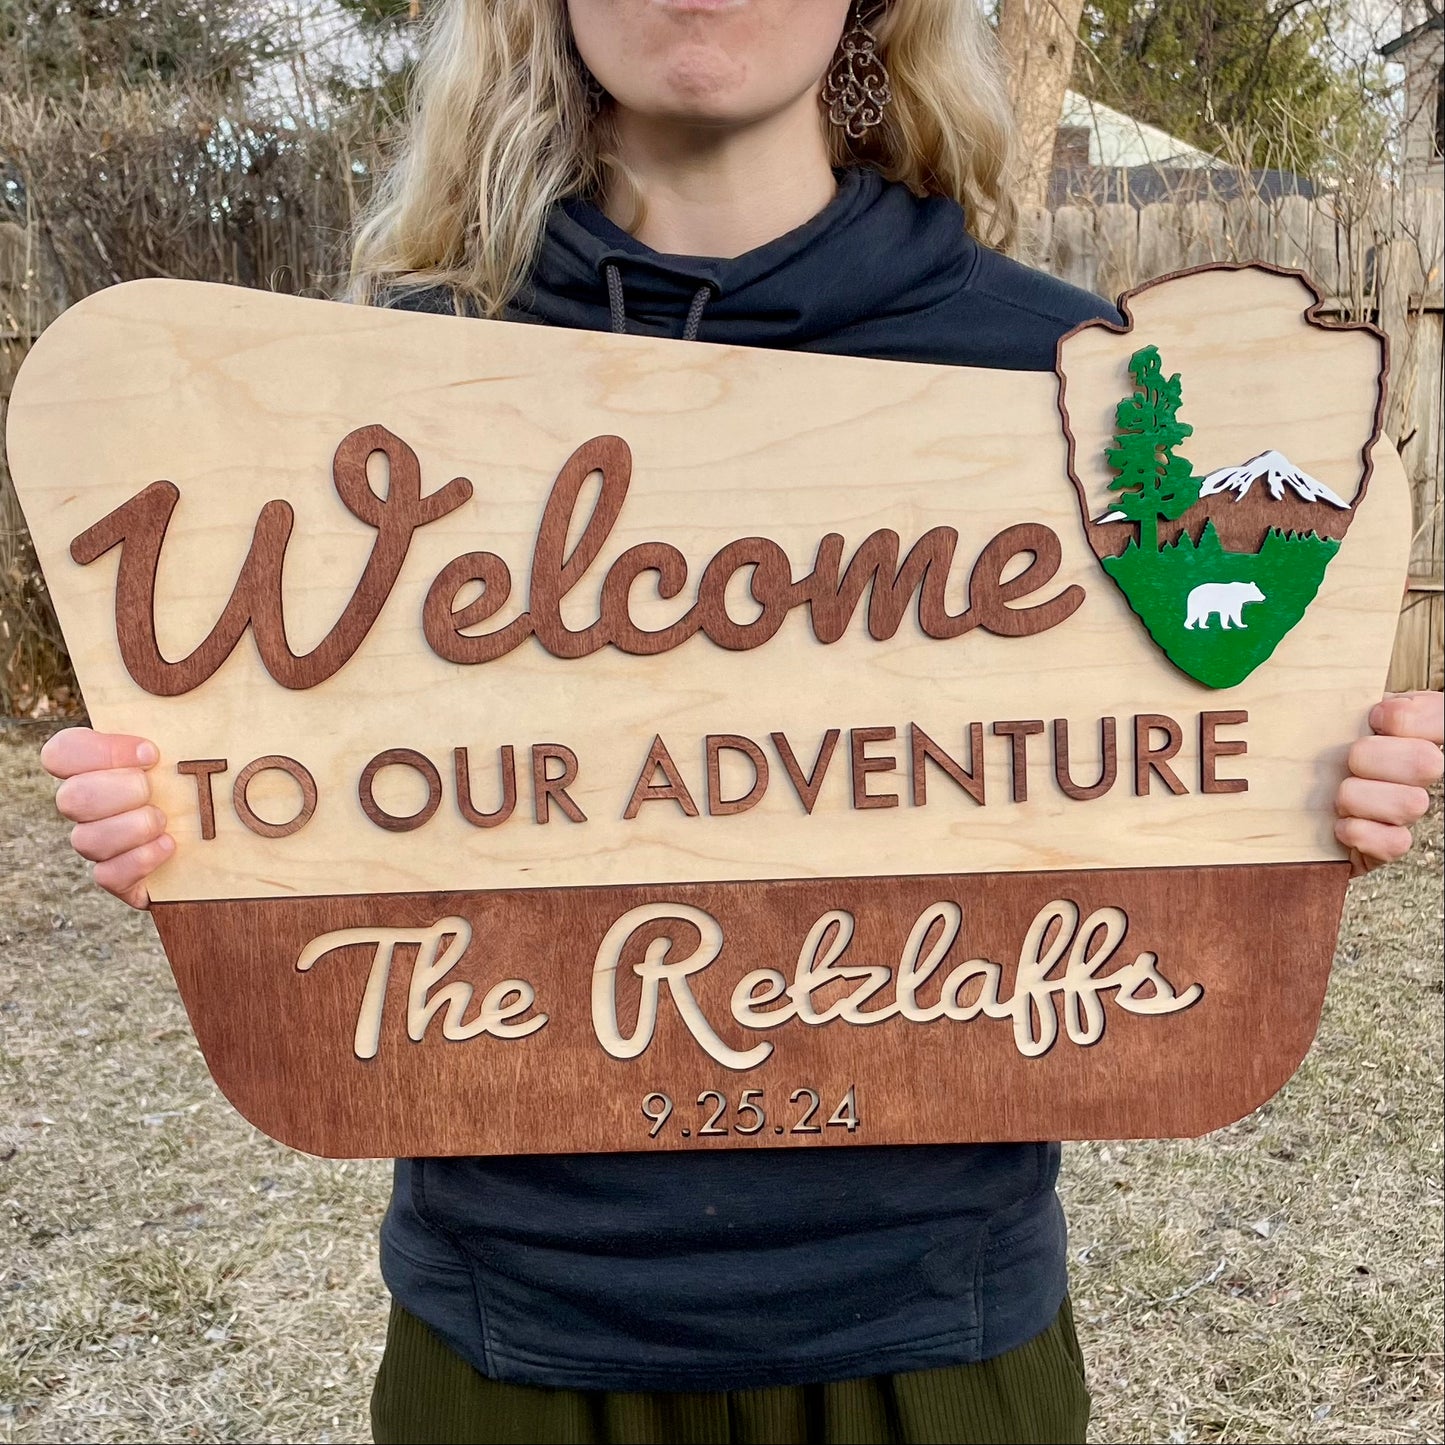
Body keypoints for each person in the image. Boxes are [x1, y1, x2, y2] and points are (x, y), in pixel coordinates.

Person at [39, 2, 1445, 1442]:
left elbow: (1195, 755)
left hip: (932, 1331)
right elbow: (297, 779)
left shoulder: (1064, 377)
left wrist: (1318, 783)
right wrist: (179, 809)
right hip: (515, 1331)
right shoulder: (386, 396)